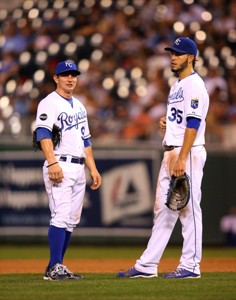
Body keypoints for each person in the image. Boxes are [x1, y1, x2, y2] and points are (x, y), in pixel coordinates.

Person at [117, 37, 209, 279]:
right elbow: (183, 119)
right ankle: (147, 265)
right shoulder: (177, 84)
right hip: (172, 149)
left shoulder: (194, 85)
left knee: (189, 208)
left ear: (191, 57)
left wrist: (182, 157)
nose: (173, 57)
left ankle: (191, 265)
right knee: (163, 209)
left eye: (178, 53)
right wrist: (167, 124)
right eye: (172, 53)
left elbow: (194, 123)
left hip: (186, 152)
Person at [35, 60, 102, 281]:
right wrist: (52, 162)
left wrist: (93, 169)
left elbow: (86, 141)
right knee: (61, 215)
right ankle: (56, 267)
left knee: (71, 220)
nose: (70, 78)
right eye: (65, 75)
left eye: (74, 75)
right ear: (56, 78)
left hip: (78, 166)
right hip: (60, 164)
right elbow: (42, 133)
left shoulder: (80, 106)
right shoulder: (49, 103)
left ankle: (55, 266)